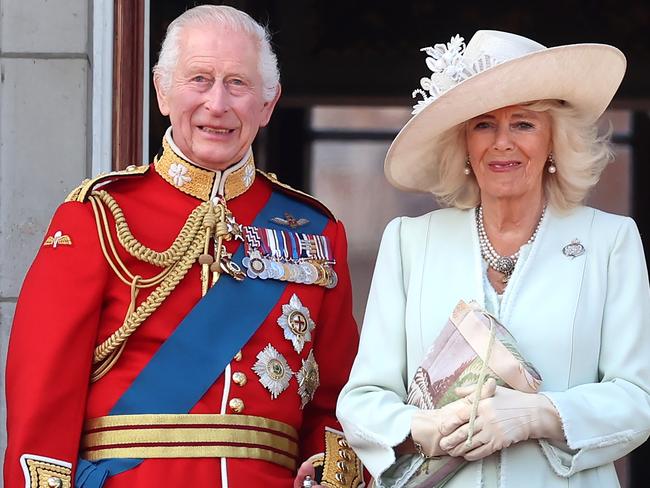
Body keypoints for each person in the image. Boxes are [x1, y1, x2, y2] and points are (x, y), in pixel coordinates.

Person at [3, 5, 363, 488]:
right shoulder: (99, 217)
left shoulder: (315, 233)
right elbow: (42, 400)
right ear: (162, 91)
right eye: (199, 79)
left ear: (268, 103)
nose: (217, 104)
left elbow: (339, 400)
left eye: (238, 83)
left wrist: (329, 468)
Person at [336, 30, 650, 487]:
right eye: (484, 124)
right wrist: (427, 430)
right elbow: (362, 400)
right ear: (463, 143)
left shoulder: (609, 241)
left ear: (553, 142)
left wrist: (538, 415)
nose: (502, 143)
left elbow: (638, 399)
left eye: (523, 123)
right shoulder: (409, 241)